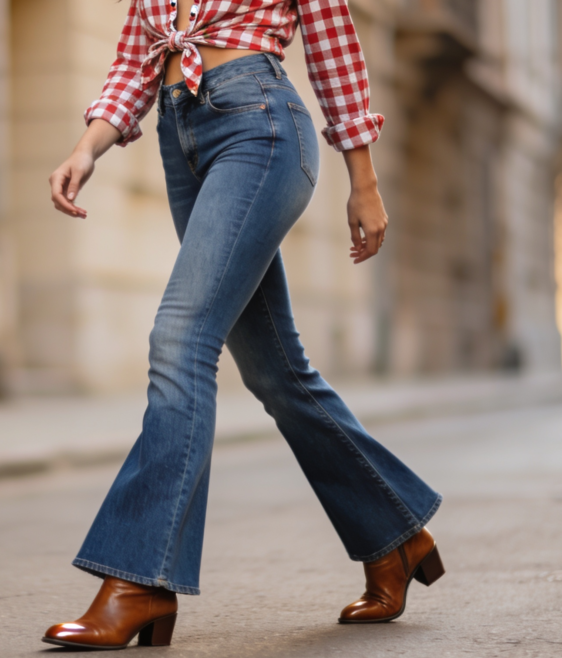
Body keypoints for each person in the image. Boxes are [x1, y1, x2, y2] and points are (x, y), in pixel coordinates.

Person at [42, 0, 444, 650]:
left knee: (181, 337)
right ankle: (395, 536)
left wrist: (363, 180)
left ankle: (140, 580)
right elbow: (136, 59)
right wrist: (88, 147)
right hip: (182, 139)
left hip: (258, 125)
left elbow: (334, 42)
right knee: (276, 371)